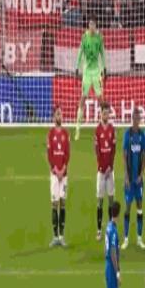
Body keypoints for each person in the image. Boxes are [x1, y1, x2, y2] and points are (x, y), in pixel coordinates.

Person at [74, 18, 106, 141]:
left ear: (96, 26)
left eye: (93, 24)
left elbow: (102, 54)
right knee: (82, 98)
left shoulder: (99, 38)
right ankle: (77, 128)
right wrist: (77, 67)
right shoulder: (84, 37)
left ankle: (103, 125)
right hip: (87, 72)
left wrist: (104, 68)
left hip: (96, 72)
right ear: (88, 25)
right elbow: (80, 52)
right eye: (90, 24)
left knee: (101, 99)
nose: (91, 26)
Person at [121, 107, 145, 250]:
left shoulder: (142, 135)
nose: (137, 120)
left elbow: (143, 156)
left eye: (138, 118)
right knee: (127, 207)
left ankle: (139, 238)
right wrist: (126, 176)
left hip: (138, 180)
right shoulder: (128, 134)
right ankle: (125, 239)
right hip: (129, 180)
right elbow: (124, 155)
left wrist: (141, 175)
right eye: (135, 118)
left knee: (139, 207)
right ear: (132, 119)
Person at [47, 106, 70, 247]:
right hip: (55, 175)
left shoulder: (66, 134)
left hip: (64, 174)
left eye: (60, 114)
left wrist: (63, 169)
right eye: (57, 114)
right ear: (53, 117)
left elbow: (67, 154)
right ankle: (55, 236)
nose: (59, 117)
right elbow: (49, 155)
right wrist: (56, 169)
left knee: (63, 203)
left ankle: (62, 236)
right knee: (54, 203)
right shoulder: (50, 134)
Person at [95, 102, 116, 241]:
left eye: (107, 113)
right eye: (104, 113)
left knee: (111, 199)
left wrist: (110, 166)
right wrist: (103, 167)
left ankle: (110, 227)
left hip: (110, 170)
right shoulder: (97, 130)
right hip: (101, 171)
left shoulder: (112, 129)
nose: (106, 115)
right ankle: (98, 230)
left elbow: (113, 150)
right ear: (101, 113)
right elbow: (97, 152)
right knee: (100, 201)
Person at [102, 200, 122, 288]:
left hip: (108, 265)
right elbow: (113, 253)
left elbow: (105, 250)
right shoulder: (113, 231)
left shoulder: (108, 227)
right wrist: (118, 272)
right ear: (118, 214)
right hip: (111, 269)